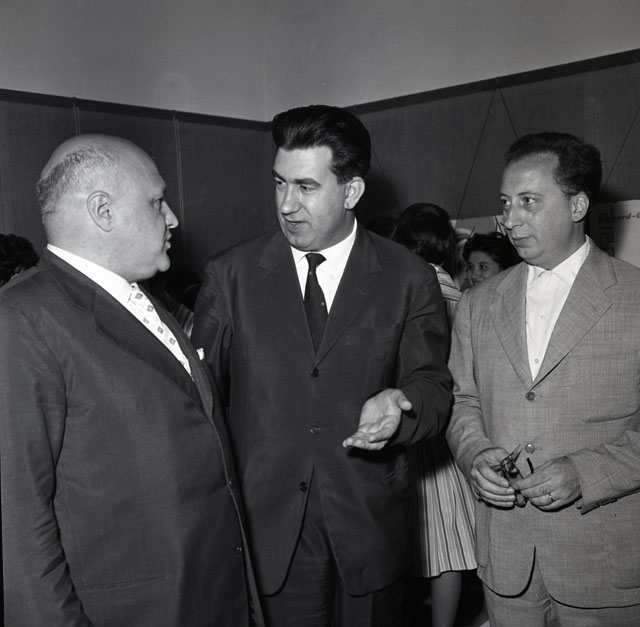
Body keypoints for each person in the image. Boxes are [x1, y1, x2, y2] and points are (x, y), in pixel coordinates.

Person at [192, 105, 452, 627]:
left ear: (351, 191)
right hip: (268, 531)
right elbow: (197, 403)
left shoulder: (408, 277)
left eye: (306, 187)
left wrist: (401, 405)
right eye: (279, 183)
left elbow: (434, 386)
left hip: (369, 523)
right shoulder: (230, 276)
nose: (287, 204)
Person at [0, 134, 263, 627]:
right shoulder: (21, 319)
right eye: (157, 201)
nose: (173, 218)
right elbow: (15, 524)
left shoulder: (139, 299)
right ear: (103, 211)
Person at [446, 131, 640, 626]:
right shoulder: (478, 303)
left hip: (604, 566)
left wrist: (585, 473)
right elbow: (462, 402)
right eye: (505, 203)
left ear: (577, 205)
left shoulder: (634, 298)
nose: (510, 220)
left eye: (529, 201)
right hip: (506, 563)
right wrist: (475, 454)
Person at [393, 203, 480, 627]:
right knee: (449, 541)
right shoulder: (461, 297)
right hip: (455, 429)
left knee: (438, 544)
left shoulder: (409, 290)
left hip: (422, 428)